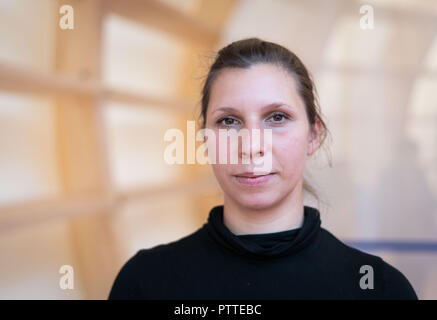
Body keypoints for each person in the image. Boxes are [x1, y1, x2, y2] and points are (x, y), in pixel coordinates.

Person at [108, 38, 418, 300]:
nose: (251, 146)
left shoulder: (381, 290)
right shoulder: (145, 283)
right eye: (228, 121)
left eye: (277, 118)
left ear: (313, 136)